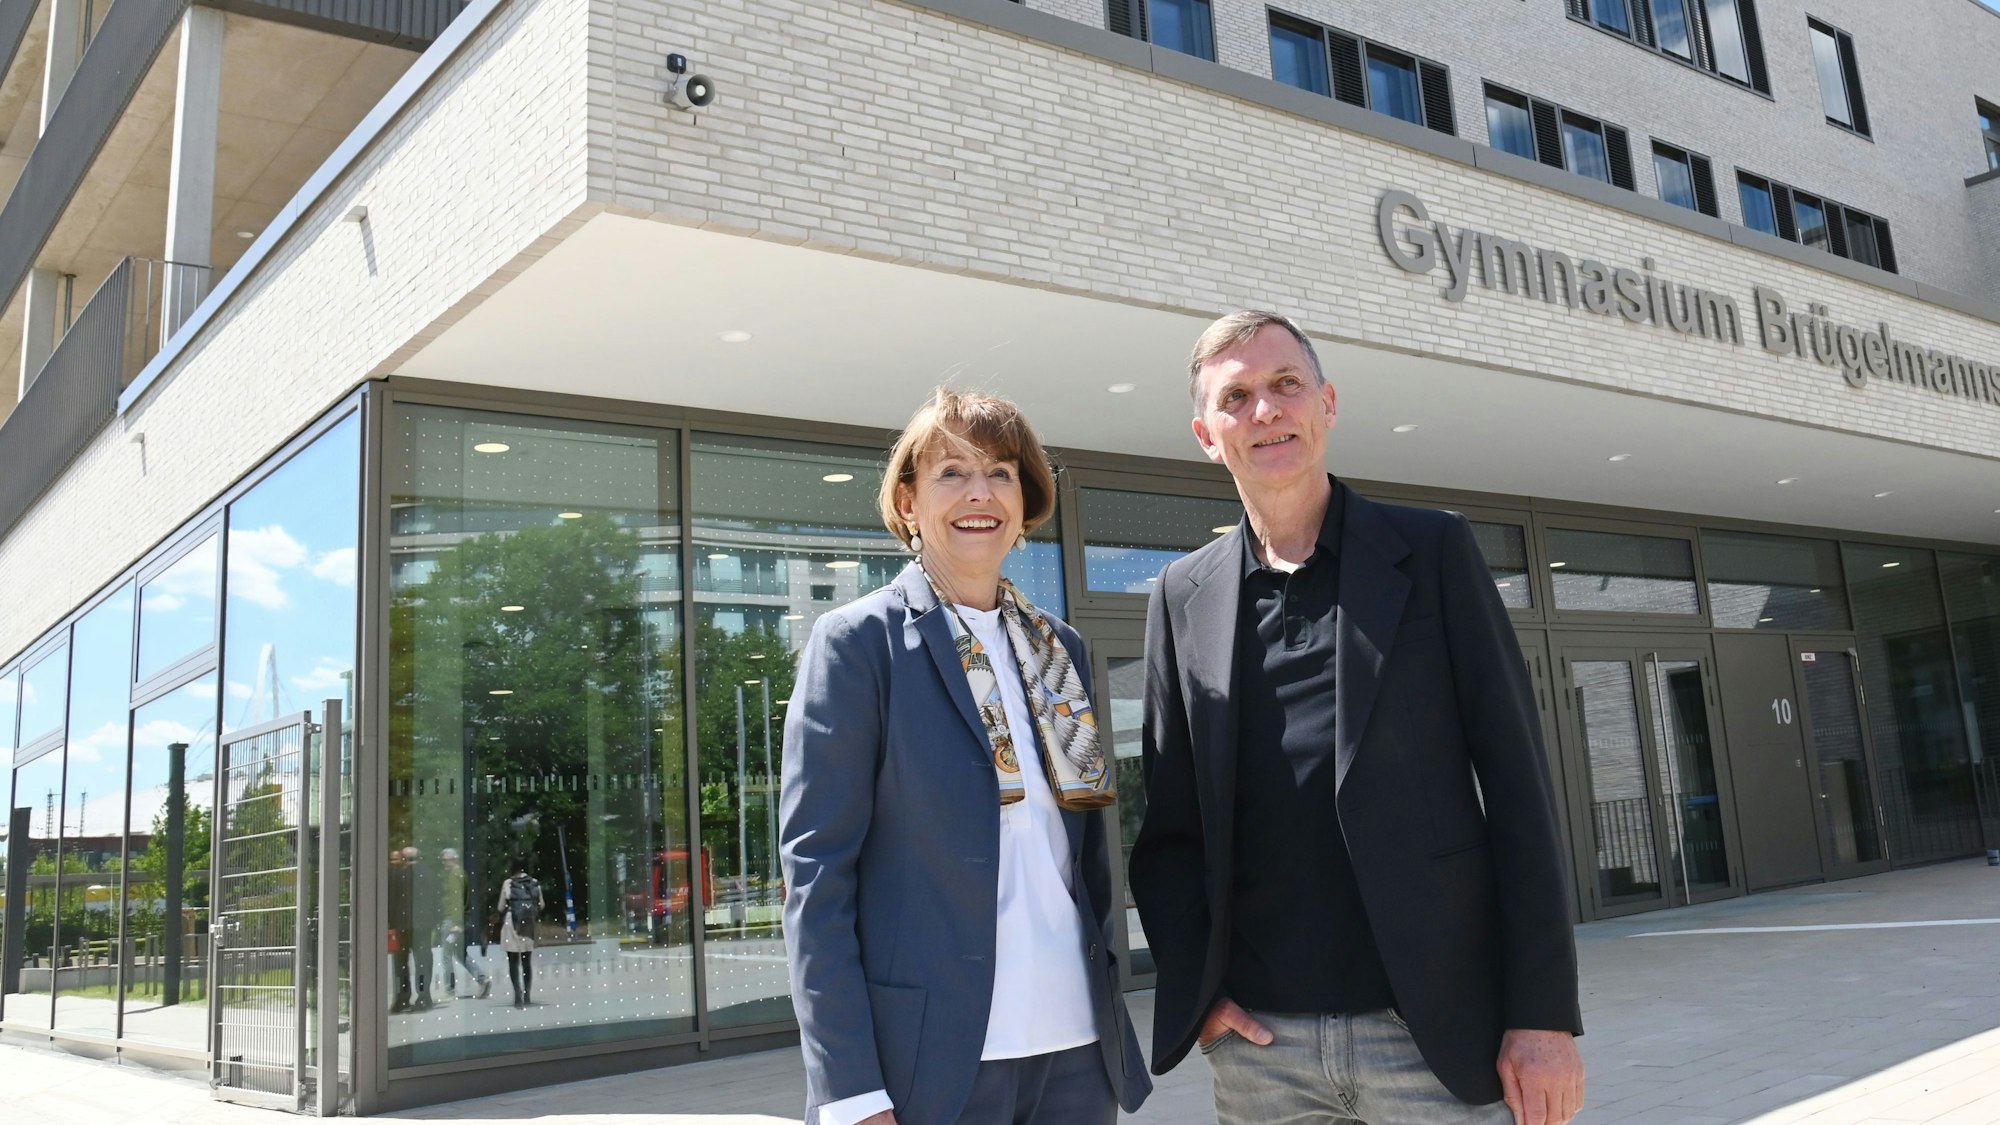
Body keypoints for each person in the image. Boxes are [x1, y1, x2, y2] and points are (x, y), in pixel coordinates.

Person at [1129, 311, 1585, 1125]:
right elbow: (1169, 831)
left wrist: (1543, 1013)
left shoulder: (1434, 551)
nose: (1264, 410)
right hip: (1264, 1053)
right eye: (1236, 397)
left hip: (1431, 1035)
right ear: (1206, 433)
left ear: (1327, 403)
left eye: (1284, 384)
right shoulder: (1180, 595)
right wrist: (1200, 997)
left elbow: (1520, 789)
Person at [780, 388, 1151, 1125]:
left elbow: (1083, 864)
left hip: (1076, 1048)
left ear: (1025, 500)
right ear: (910, 502)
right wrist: (849, 1089)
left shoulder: (1058, 650)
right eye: (952, 472)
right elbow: (816, 880)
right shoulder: (860, 645)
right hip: (935, 1062)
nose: (980, 492)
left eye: (1002, 472)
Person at [435, 847, 491, 999]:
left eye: (446, 860)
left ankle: (450, 989)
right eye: (442, 860)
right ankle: (482, 979)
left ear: (454, 859)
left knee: (446, 954)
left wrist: (456, 924)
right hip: (459, 920)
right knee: (460, 954)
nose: (443, 863)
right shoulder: (462, 874)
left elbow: (456, 901)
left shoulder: (454, 876)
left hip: (451, 922)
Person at [387, 844, 432, 1012]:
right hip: (423, 926)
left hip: (403, 925)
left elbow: (392, 901)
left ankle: (403, 997)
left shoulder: (399, 876)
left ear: (405, 860)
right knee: (423, 962)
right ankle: (424, 996)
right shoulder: (430, 874)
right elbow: (436, 900)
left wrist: (391, 924)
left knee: (401, 964)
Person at [496, 858, 543, 1008]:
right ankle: (527, 994)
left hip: (512, 923)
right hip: (528, 925)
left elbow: (500, 907)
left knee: (513, 961)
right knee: (526, 961)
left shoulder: (508, 883)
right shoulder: (534, 882)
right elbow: (541, 904)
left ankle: (517, 994)